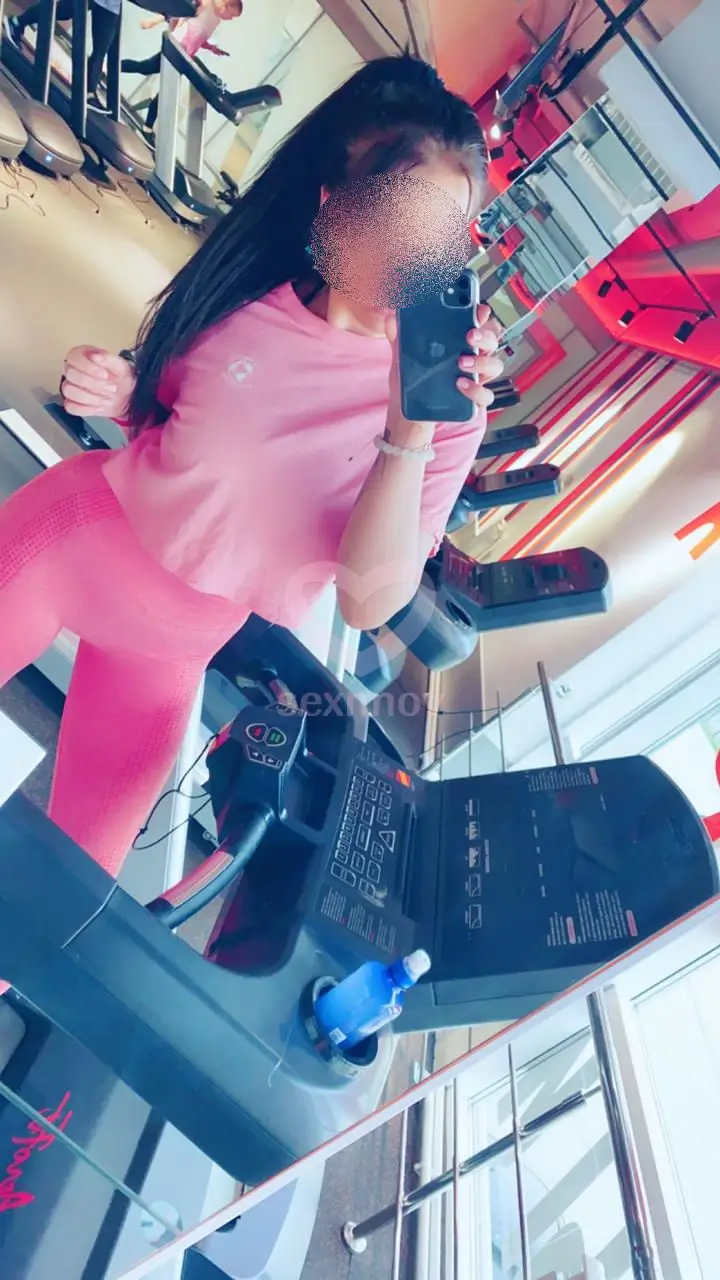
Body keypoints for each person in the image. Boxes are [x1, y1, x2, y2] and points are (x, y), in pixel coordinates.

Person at [0, 55, 501, 961]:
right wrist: (122, 388)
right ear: (334, 207)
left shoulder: (448, 412)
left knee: (52, 914)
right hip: (69, 542)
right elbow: (169, 411)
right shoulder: (249, 295)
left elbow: (368, 600)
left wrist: (409, 426)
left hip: (171, 654)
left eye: (443, 237)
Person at [121, 0, 241, 137]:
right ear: (227, 6)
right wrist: (153, 21)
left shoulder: (216, 21)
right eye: (232, 15)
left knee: (160, 87)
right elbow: (176, 11)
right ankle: (109, 66)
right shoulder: (205, 5)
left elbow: (200, 37)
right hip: (175, 49)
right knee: (146, 68)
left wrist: (211, 48)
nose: (230, 19)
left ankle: (147, 127)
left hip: (184, 58)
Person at [4, 0, 122, 113]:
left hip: (111, 5)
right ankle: (18, 22)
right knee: (62, 11)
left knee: (101, 49)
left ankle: (89, 93)